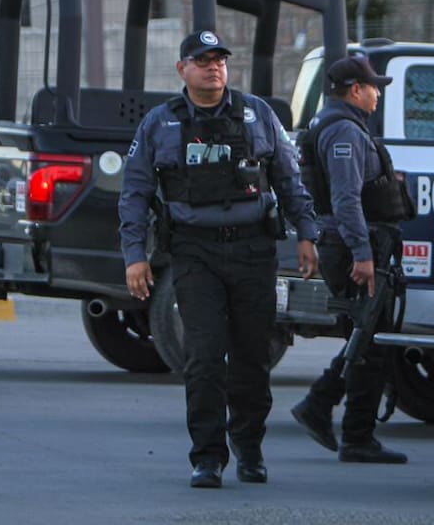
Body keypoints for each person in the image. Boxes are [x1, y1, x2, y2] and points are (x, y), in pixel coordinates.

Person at [118, 29, 319, 489]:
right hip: (194, 252)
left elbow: (289, 179)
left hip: (253, 250)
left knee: (252, 357)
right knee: (204, 357)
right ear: (182, 69)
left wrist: (307, 233)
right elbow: (135, 194)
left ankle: (249, 448)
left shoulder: (258, 115)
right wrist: (135, 256)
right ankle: (208, 456)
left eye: (220, 60)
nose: (214, 67)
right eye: (203, 60)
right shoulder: (160, 124)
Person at [290, 55, 412, 464]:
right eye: (373, 87)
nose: (378, 94)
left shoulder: (340, 125)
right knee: (368, 340)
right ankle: (342, 424)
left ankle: (339, 420)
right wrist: (362, 254)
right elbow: (345, 198)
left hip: (353, 244)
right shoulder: (343, 131)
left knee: (367, 339)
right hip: (352, 247)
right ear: (355, 90)